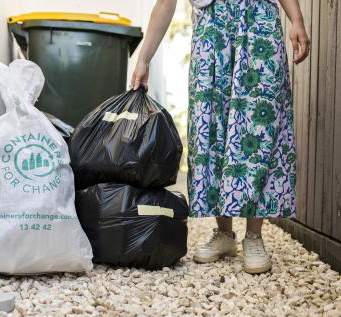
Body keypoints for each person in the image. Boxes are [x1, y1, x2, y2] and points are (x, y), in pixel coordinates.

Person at [131, 0, 310, 274]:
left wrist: (296, 19)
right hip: (212, 30)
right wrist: (143, 58)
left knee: (258, 127)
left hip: (258, 20)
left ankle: (254, 235)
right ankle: (225, 233)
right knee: (211, 127)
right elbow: (166, 2)